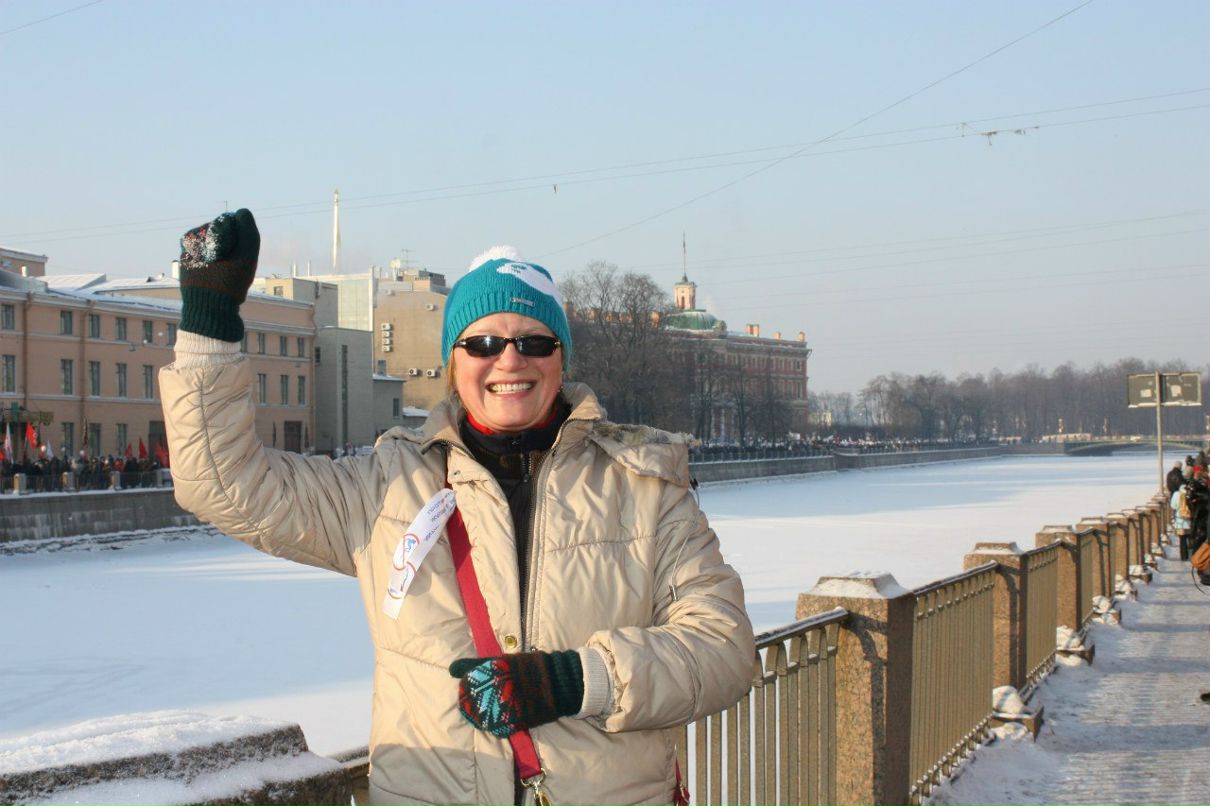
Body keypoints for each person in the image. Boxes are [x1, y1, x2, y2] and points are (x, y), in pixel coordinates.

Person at [159, 209, 755, 805]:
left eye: (534, 342)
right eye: (484, 343)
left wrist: (576, 682)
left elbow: (724, 648)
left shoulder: (643, 487)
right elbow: (224, 482)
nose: (510, 360)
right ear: (453, 361)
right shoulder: (384, 490)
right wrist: (209, 328)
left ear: (561, 358)